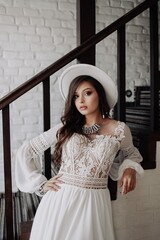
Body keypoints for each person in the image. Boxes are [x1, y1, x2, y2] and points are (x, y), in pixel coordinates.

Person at [15, 64, 144, 240]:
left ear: (100, 94)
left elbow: (132, 154)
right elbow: (27, 150)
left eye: (87, 93)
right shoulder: (67, 128)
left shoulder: (119, 129)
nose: (81, 100)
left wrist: (130, 168)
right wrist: (40, 184)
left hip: (94, 204)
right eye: (76, 96)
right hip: (59, 201)